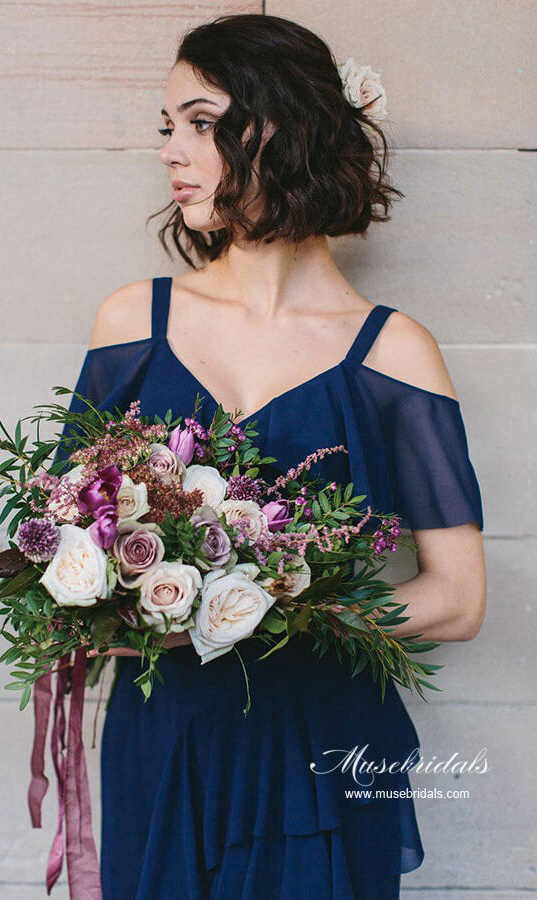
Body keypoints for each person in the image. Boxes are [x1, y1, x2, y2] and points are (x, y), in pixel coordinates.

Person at [70, 13, 487, 898]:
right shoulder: (130, 326)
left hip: (323, 743)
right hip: (167, 735)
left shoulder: (392, 352)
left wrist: (271, 610)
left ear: (278, 128)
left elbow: (457, 598)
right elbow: (71, 547)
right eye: (167, 128)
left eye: (200, 121)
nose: (171, 152)